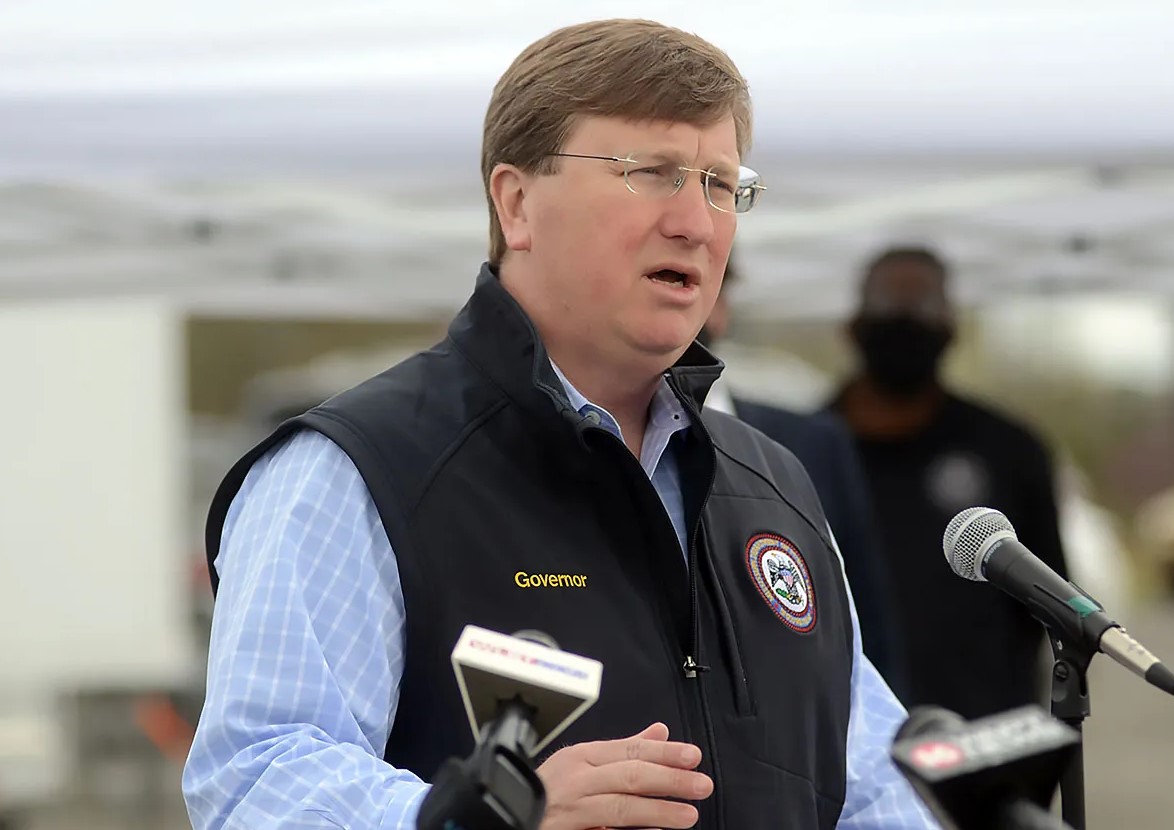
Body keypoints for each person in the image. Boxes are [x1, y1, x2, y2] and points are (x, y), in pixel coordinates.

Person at [183, 20, 937, 830]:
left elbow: (874, 790)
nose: (697, 222)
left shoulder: (776, 489)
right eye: (653, 173)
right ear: (517, 205)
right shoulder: (357, 473)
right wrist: (482, 819)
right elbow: (255, 780)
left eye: (721, 184)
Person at [828, 245, 1068, 720]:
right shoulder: (798, 451)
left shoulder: (1009, 450)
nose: (904, 320)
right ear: (853, 326)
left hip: (983, 731)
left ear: (951, 327)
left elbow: (1048, 601)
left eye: (921, 306)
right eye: (888, 304)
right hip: (846, 735)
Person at [699, 258, 907, 696]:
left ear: (724, 304)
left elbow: (865, 623)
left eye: (704, 278)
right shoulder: (590, 439)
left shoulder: (810, 444)